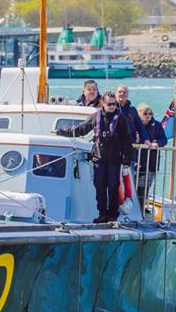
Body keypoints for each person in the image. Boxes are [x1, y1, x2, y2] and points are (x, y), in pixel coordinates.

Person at [57, 91, 134, 223]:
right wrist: (61, 132)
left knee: (113, 187)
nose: (112, 107)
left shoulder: (121, 119)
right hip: (99, 158)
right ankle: (102, 214)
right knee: (100, 188)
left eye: (114, 104)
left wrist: (127, 160)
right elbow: (81, 129)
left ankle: (113, 215)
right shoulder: (95, 117)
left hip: (114, 160)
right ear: (103, 104)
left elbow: (127, 141)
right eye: (109, 104)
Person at [134, 103, 168, 211]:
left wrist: (157, 143)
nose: (148, 115)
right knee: (132, 187)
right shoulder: (135, 125)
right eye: (145, 113)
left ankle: (141, 209)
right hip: (135, 161)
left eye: (150, 113)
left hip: (150, 163)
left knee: (144, 188)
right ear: (139, 114)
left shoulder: (157, 125)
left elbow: (164, 139)